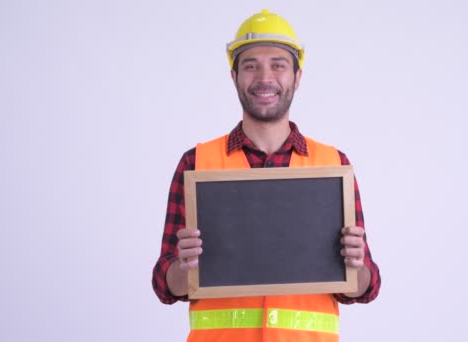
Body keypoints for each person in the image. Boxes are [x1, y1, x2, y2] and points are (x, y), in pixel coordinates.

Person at [152, 9, 381, 342]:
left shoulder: (332, 165)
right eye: (251, 66)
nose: (264, 77)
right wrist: (182, 268)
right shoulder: (197, 163)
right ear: (234, 77)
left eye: (278, 64)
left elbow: (363, 287)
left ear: (297, 77)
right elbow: (165, 284)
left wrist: (356, 264)